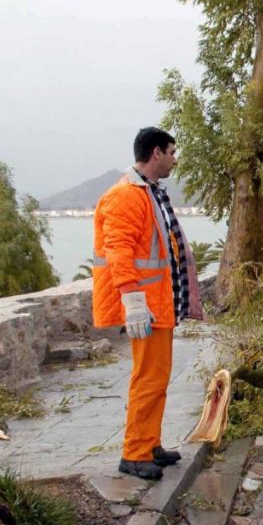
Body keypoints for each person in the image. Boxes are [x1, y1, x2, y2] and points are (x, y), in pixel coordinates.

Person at [92, 127, 204, 479]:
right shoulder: (126, 196)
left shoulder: (149, 194)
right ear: (156, 153)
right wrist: (132, 300)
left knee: (157, 378)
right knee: (147, 378)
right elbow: (119, 251)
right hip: (147, 305)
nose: (175, 158)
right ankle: (136, 453)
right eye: (172, 151)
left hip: (159, 303)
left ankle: (150, 443)